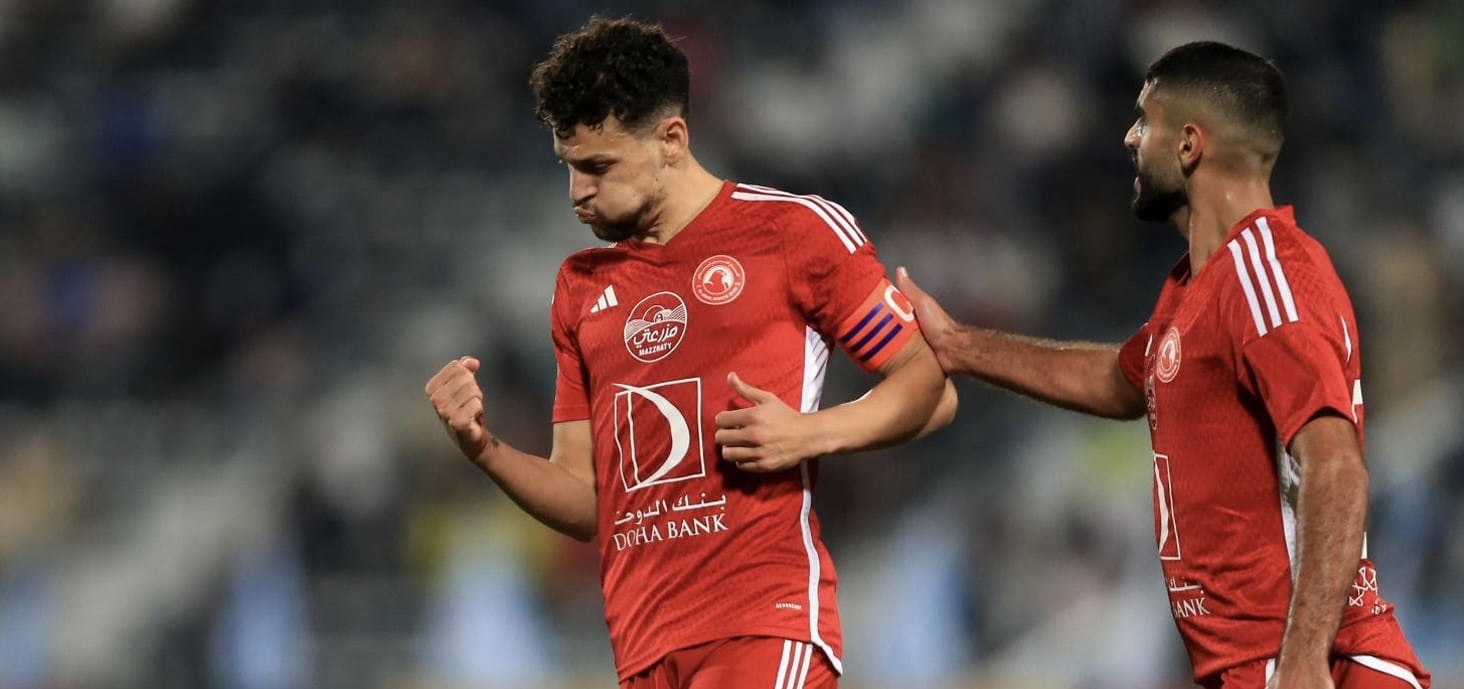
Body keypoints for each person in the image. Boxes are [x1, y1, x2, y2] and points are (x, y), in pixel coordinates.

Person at [424, 15, 957, 689]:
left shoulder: (792, 232)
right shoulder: (580, 288)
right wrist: (483, 448)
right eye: (569, 167)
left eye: (598, 167)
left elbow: (930, 385)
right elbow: (587, 501)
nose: (578, 192)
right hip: (644, 646)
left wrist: (811, 432)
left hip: (762, 622)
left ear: (671, 140)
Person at [897, 42, 1429, 689]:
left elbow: (1337, 465)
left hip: (1315, 668)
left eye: (1144, 121)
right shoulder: (1197, 288)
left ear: (1188, 144)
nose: (1129, 137)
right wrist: (958, 345)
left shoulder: (1265, 274)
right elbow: (1118, 380)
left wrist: (1303, 658)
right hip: (1254, 666)